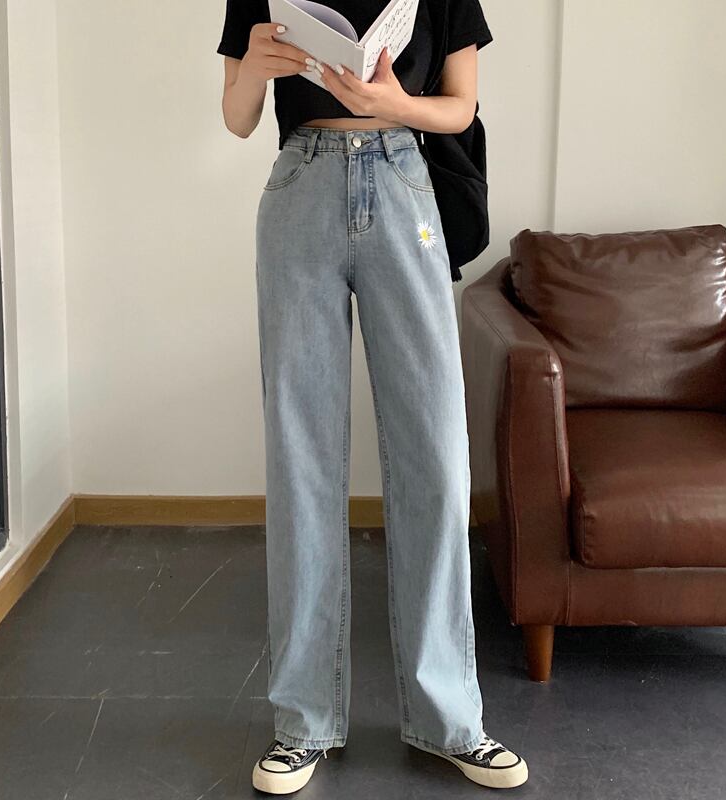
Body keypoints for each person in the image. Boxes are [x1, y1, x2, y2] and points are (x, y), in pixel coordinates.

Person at [217, 0, 529, 793]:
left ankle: (450, 719)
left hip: (402, 178)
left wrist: (395, 104)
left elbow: (461, 106)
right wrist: (254, 67)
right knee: (301, 463)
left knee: (437, 458)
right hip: (301, 186)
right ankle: (303, 722)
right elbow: (237, 116)